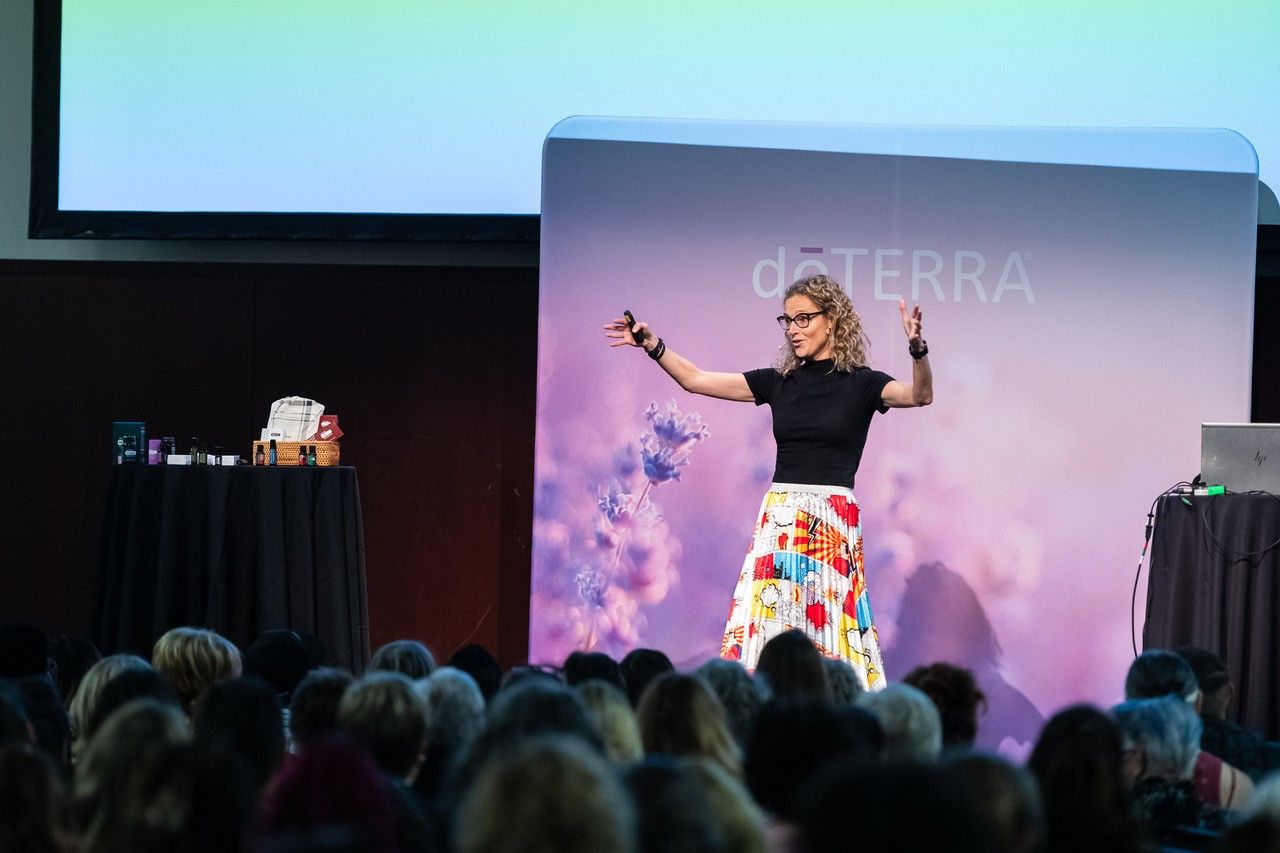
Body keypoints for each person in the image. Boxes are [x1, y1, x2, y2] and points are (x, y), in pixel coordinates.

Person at [605, 274, 932, 682]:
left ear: (831, 321)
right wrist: (652, 345)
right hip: (781, 517)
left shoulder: (863, 384)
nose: (793, 330)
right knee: (768, 629)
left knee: (830, 628)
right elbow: (696, 380)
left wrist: (917, 349)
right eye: (787, 321)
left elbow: (919, 395)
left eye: (803, 319)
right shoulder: (779, 383)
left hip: (832, 519)